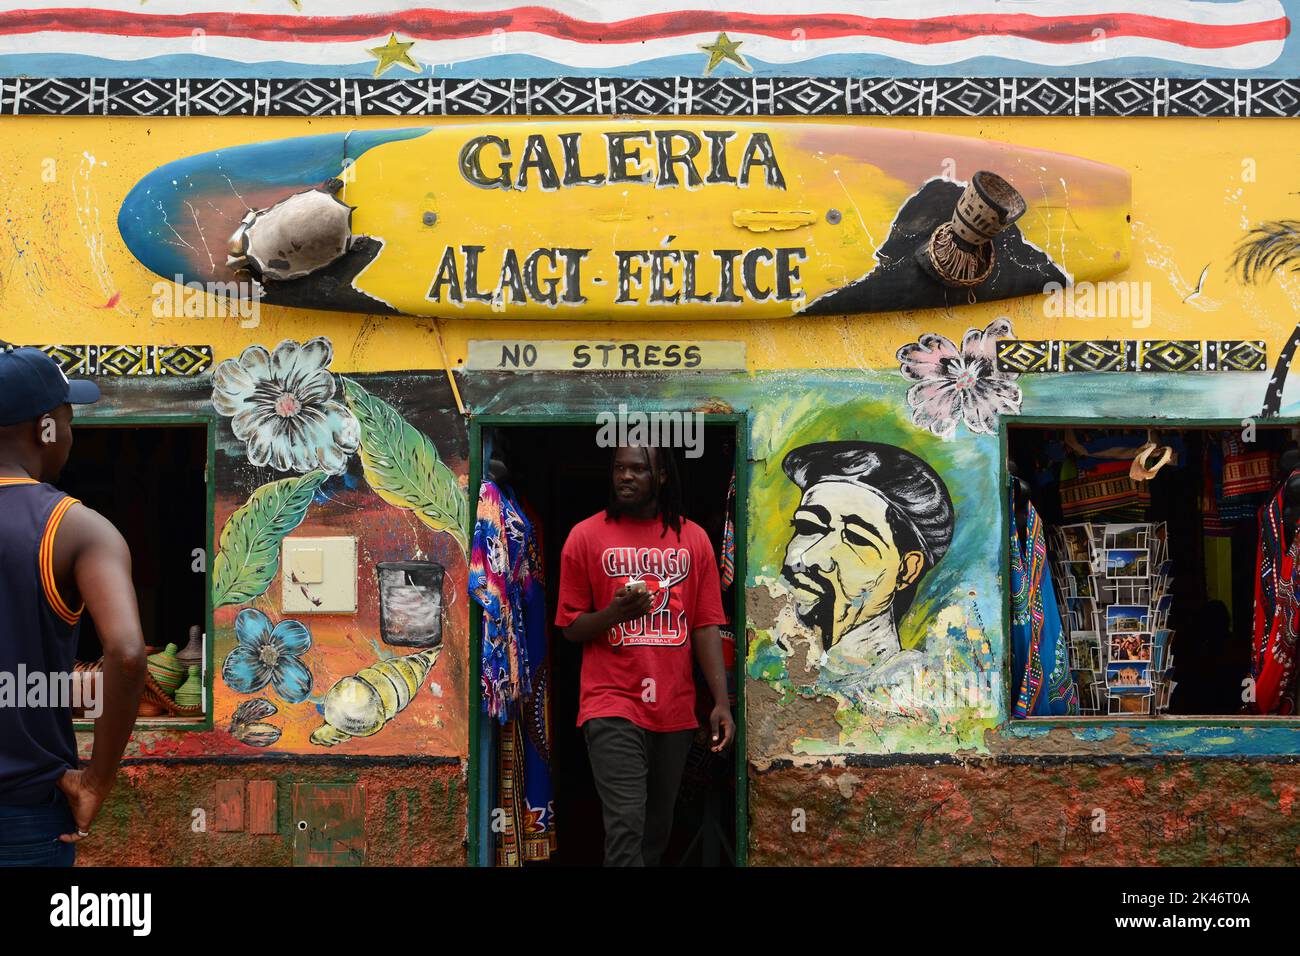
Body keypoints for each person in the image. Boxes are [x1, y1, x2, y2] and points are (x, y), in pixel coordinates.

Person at [0, 347, 146, 866]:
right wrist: (95, 783)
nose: (69, 433)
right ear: (44, 428)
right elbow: (127, 654)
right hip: (22, 813)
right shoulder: (74, 528)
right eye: (67, 419)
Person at [555, 443, 734, 866]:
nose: (626, 476)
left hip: (674, 707)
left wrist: (721, 702)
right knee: (626, 826)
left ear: (662, 476)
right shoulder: (585, 536)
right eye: (619, 468)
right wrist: (614, 614)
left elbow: (706, 626)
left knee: (657, 831)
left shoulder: (693, 540)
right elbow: (570, 628)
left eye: (638, 469)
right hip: (611, 703)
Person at [781, 440, 954, 684]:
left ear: (906, 570)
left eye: (855, 538)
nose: (810, 557)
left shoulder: (910, 690)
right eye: (808, 527)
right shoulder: (773, 662)